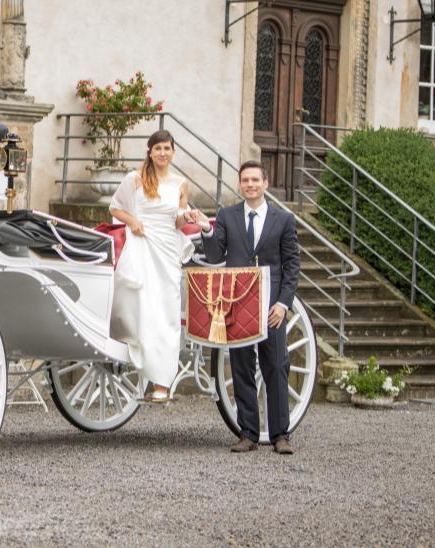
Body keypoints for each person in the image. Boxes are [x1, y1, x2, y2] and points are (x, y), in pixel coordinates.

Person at [190, 160, 300, 455]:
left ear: (265, 183)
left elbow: (291, 266)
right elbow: (215, 257)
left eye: (255, 180)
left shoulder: (284, 219)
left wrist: (283, 303)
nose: (250, 184)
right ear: (240, 185)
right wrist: (206, 230)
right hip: (237, 304)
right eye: (245, 180)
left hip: (271, 306)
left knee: (276, 366)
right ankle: (248, 434)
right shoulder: (227, 215)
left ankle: (280, 435)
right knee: (241, 367)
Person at [108, 130, 194, 403]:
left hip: (167, 248)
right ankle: (135, 356)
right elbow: (115, 208)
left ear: (173, 151)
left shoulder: (181, 184)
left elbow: (178, 221)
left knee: (166, 309)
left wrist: (187, 216)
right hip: (142, 243)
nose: (162, 153)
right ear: (150, 151)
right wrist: (132, 222)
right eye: (157, 148)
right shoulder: (135, 179)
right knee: (141, 303)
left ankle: (162, 382)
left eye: (167, 148)